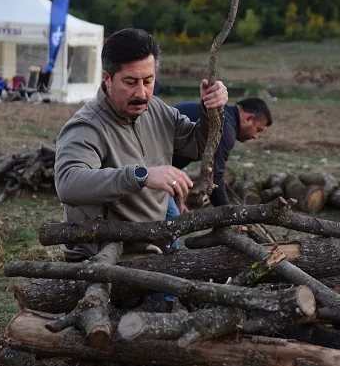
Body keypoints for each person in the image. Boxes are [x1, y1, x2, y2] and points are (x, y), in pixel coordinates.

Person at [54, 27, 228, 265]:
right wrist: (141, 176)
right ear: (107, 78)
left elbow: (199, 146)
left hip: (153, 251)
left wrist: (212, 110)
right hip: (105, 260)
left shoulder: (157, 110)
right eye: (130, 82)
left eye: (148, 81)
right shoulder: (87, 127)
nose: (142, 93)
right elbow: (68, 184)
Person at [165, 98, 273, 248]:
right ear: (249, 118)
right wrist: (229, 215)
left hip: (155, 165)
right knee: (171, 222)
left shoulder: (222, 118)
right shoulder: (225, 127)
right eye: (258, 130)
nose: (256, 136)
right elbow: (214, 177)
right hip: (146, 165)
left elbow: (173, 162)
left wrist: (177, 197)